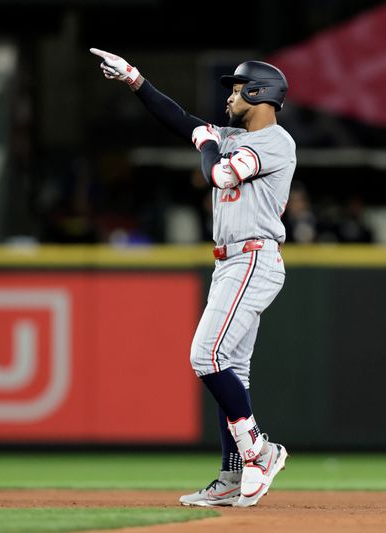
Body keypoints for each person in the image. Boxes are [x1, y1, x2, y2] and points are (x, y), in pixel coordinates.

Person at [91, 48, 295, 507]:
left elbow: (221, 175)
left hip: (254, 258)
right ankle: (231, 475)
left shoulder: (276, 142)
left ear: (260, 93)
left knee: (206, 355)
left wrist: (208, 145)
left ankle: (259, 451)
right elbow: (179, 118)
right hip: (230, 261)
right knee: (232, 370)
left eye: (238, 89)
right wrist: (135, 79)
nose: (229, 98)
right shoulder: (230, 135)